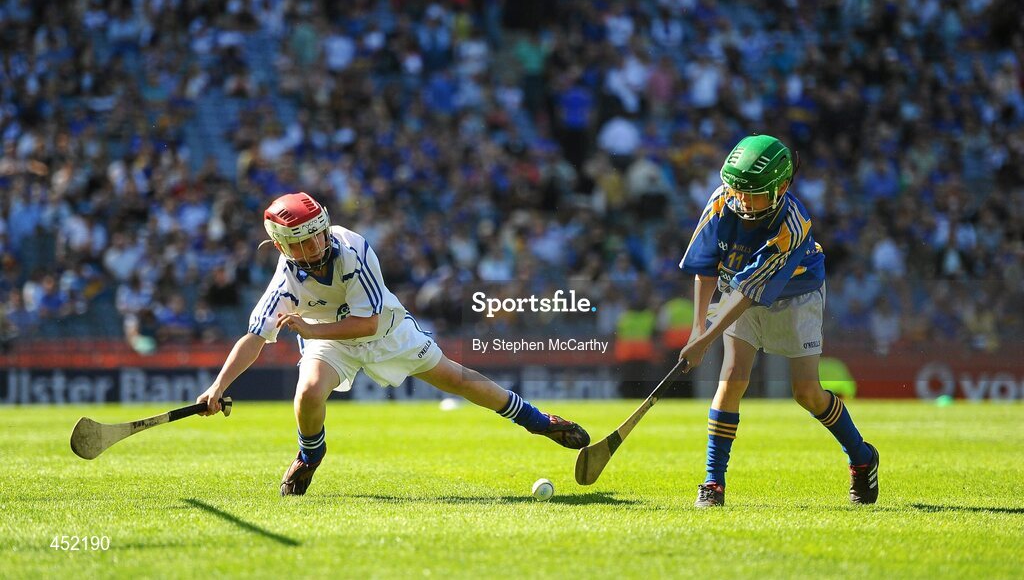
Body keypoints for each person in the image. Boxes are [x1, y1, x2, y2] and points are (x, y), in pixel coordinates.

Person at [197, 192, 590, 496]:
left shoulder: (352, 250)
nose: (315, 246)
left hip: (385, 331)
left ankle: (541, 423)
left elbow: (366, 323)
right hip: (328, 339)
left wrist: (311, 331)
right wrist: (218, 388)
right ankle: (309, 456)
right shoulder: (285, 281)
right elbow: (253, 337)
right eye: (302, 243)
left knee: (462, 381)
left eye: (317, 234)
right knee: (308, 395)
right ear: (281, 246)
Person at [676, 135, 879, 507]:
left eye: (751, 193)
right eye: (736, 189)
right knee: (732, 377)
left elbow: (749, 293)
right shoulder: (722, 200)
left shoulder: (792, 224)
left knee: (807, 393)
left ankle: (862, 457)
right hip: (737, 288)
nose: (740, 198)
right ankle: (712, 482)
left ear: (780, 187)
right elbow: (705, 268)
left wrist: (705, 340)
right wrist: (697, 329)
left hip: (796, 296)